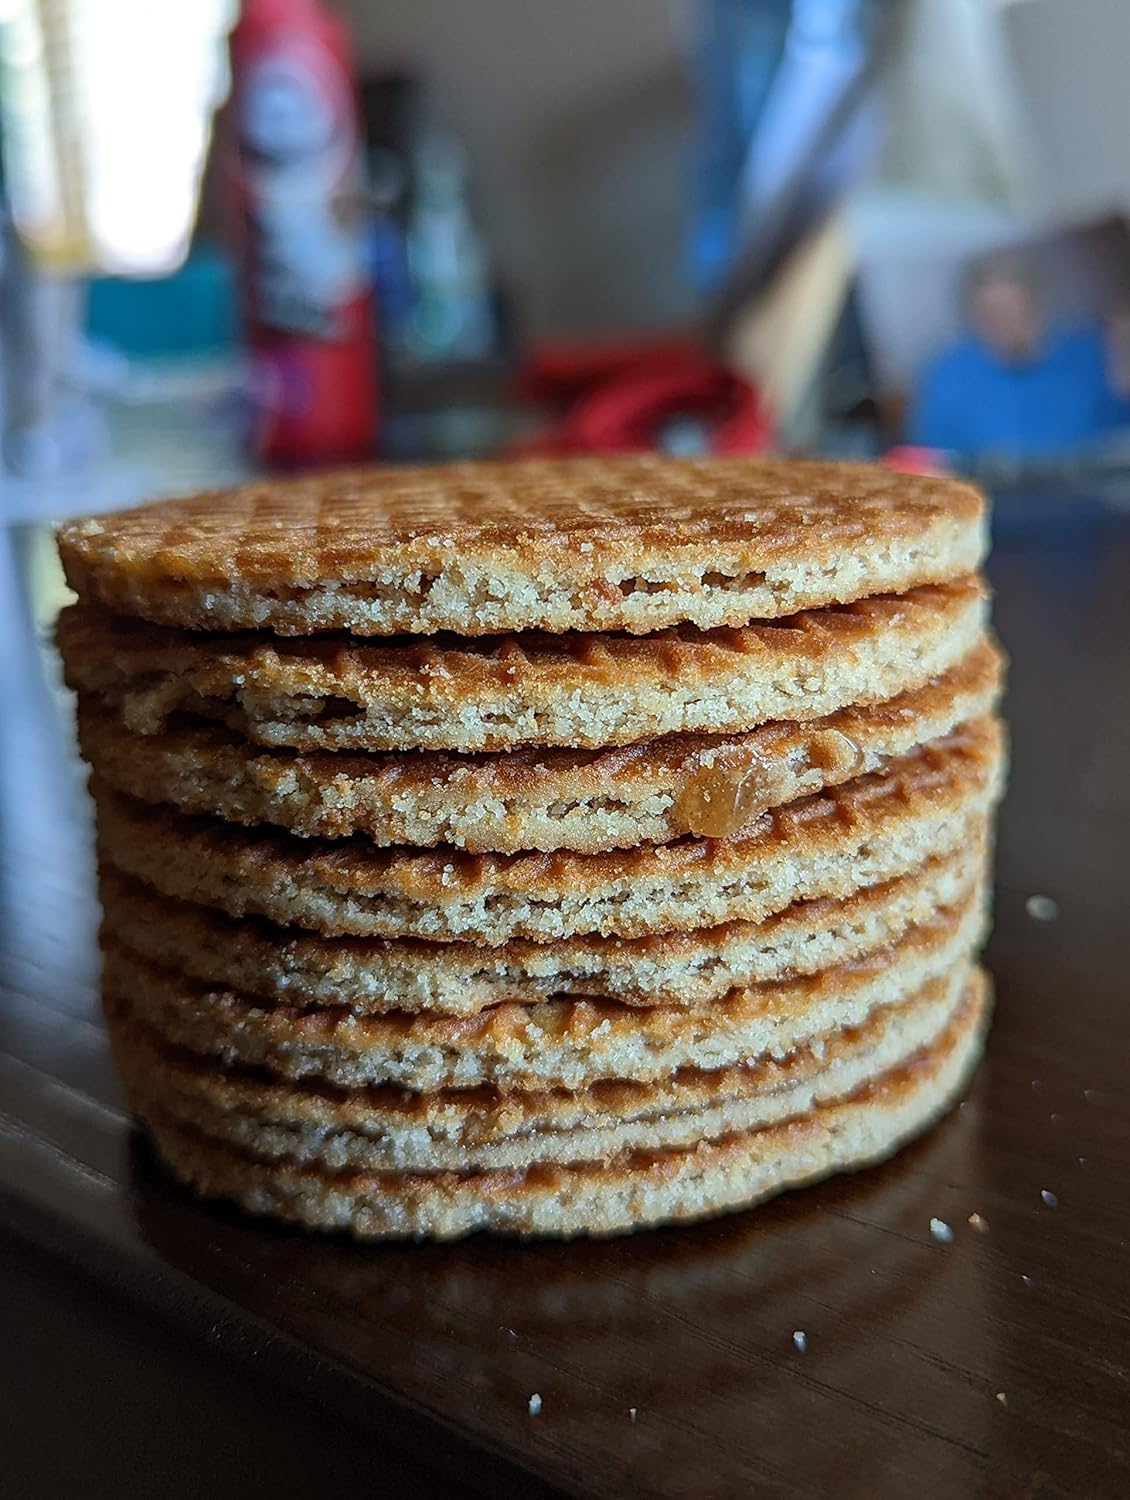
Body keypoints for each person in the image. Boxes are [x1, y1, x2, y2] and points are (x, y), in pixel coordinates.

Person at [909, 258, 1130, 464]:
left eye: (1016, 310)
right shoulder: (947, 378)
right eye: (992, 315)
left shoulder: (1086, 358)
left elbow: (1118, 431)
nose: (1006, 324)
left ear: (1039, 308)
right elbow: (930, 461)